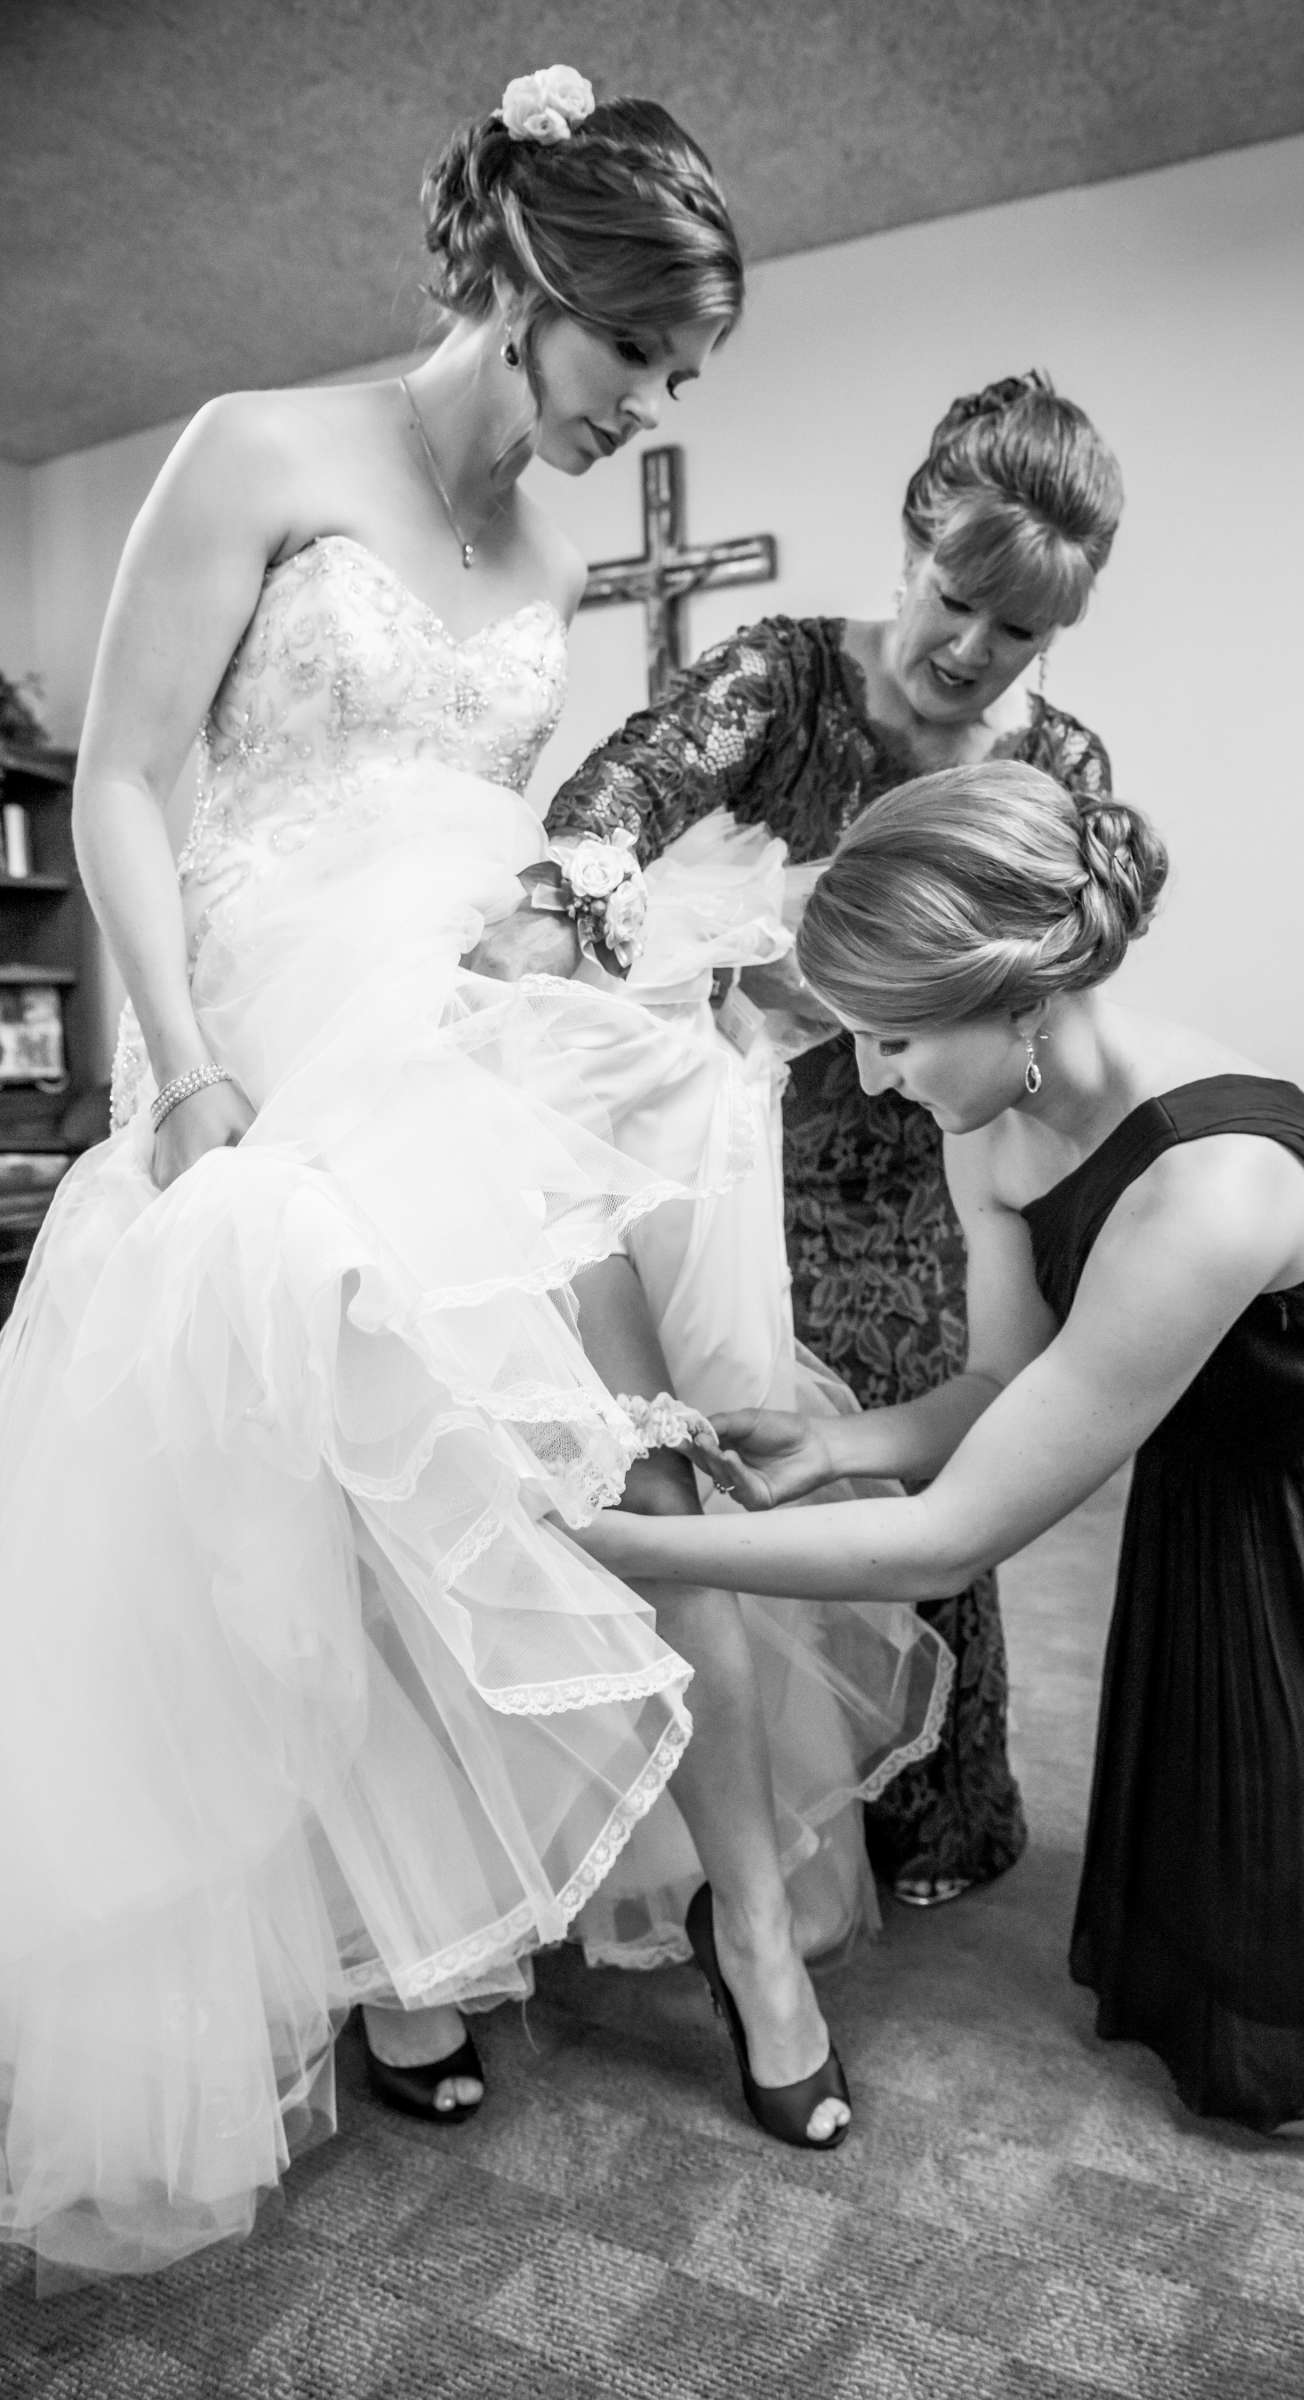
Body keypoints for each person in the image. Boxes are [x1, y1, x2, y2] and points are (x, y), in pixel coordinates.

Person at [0, 70, 950, 2282]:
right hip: (280, 1044)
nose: (656, 403)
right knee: (362, 1499)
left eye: (686, 371)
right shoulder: (250, 448)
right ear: (535, 285)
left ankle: (751, 1934)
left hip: (494, 1043)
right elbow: (126, 788)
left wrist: (580, 943)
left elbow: (489, 832)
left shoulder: (551, 548)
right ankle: (403, 1945)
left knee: (649, 1459)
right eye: (644, 353)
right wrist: (193, 1078)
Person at [577, 758, 1304, 2134]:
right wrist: (843, 1444)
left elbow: (951, 1537)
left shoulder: (1211, 1186)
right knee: (1236, 1870)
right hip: (1212, 1496)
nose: (872, 1079)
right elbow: (1006, 1378)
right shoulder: (994, 1123)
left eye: (893, 1039)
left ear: (1023, 1000)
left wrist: (623, 1542)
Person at [549, 370, 1121, 1907]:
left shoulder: (1056, 771)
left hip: (930, 1171)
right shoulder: (780, 679)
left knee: (932, 1464)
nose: (969, 654)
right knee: (728, 1453)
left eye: (1017, 633)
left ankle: (937, 1810)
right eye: (953, 602)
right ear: (913, 542)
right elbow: (606, 807)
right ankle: (739, 1824)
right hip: (740, 1158)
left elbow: (1073, 976)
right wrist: (696, 950)